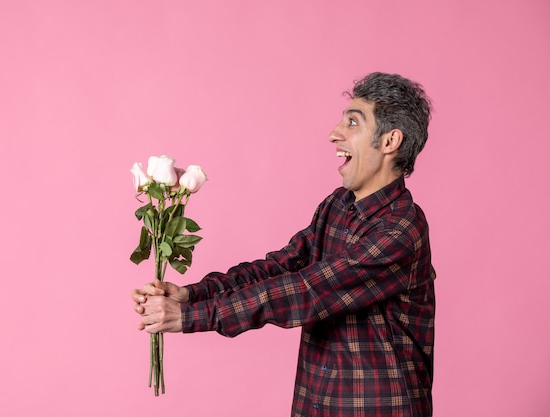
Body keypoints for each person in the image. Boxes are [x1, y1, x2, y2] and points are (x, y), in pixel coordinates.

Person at [132, 72, 436, 417]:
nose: (334, 133)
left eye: (353, 122)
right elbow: (282, 266)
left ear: (390, 141)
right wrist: (192, 294)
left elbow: (305, 291)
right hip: (317, 402)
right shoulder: (337, 205)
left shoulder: (401, 229)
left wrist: (190, 317)